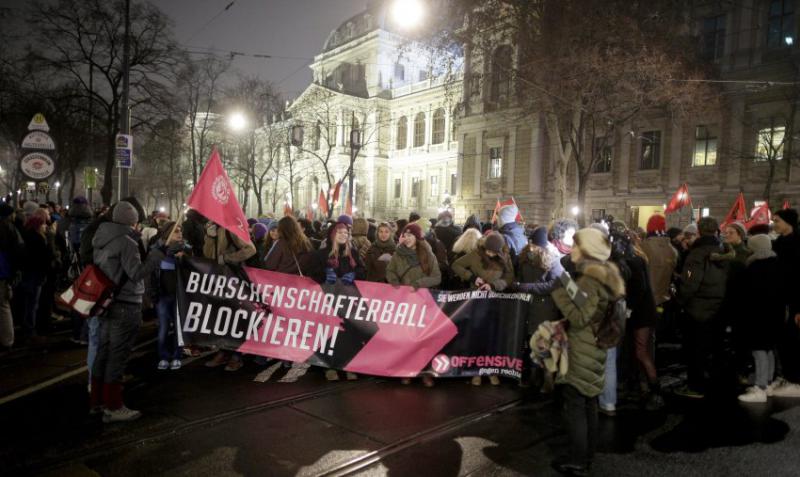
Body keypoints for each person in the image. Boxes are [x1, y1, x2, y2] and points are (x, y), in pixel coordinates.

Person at [550, 228, 625, 476]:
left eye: (575, 245)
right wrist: (565, 281)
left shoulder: (589, 279)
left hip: (582, 348)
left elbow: (580, 316)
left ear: (587, 249)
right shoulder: (602, 274)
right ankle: (586, 455)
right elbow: (588, 304)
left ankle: (578, 460)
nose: (571, 249)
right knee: (589, 402)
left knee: (576, 406)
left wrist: (559, 292)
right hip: (595, 346)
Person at [90, 201, 168, 423]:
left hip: (107, 302)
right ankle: (114, 406)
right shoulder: (127, 243)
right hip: (125, 304)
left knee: (103, 353)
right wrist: (156, 256)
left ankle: (97, 402)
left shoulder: (102, 238)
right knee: (118, 355)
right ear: (132, 221)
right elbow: (136, 273)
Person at [452, 232, 514, 386]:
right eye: (488, 250)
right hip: (478, 301)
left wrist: (494, 285)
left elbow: (509, 276)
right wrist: (472, 277)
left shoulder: (505, 257)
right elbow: (456, 265)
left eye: (493, 252)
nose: (489, 253)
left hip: (496, 301)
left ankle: (491, 370)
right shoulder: (475, 254)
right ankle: (476, 371)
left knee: (493, 337)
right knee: (477, 335)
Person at [675, 217, 728, 399]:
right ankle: (716, 384)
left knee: (696, 350)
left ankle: (695, 387)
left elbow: (690, 279)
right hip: (718, 306)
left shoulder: (696, 253)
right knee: (715, 348)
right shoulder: (723, 249)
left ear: (699, 230)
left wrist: (681, 299)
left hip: (698, 308)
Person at [386, 223, 441, 387]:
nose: (408, 238)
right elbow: (390, 271)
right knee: (407, 338)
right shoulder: (398, 254)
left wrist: (418, 283)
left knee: (424, 338)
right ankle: (406, 370)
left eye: (411, 235)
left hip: (424, 301)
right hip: (405, 302)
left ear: (417, 238)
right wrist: (396, 284)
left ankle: (426, 372)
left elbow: (437, 277)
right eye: (406, 235)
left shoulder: (428, 254)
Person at [311, 220, 365, 381]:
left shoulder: (352, 253)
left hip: (348, 300)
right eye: (340, 232)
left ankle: (348, 365)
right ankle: (329, 366)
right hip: (328, 301)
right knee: (329, 334)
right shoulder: (321, 254)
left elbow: (362, 270)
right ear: (333, 234)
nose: (344, 235)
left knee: (349, 334)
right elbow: (312, 274)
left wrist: (355, 275)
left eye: (346, 233)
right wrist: (324, 276)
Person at [203, 221, 257, 372]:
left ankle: (237, 356)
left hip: (233, 279)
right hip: (218, 279)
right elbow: (208, 255)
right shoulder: (211, 228)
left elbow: (250, 249)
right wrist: (209, 237)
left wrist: (227, 258)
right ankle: (224, 352)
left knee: (235, 317)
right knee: (221, 317)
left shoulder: (231, 228)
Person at [737, 234, 783, 402]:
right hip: (774, 315)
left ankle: (760, 387)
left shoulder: (753, 268)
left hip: (757, 316)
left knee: (759, 351)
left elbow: (746, 297)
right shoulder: (777, 265)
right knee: (769, 349)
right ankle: (768, 384)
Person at [770, 208, 800, 398]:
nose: (774, 224)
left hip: (794, 303)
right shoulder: (779, 242)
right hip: (780, 300)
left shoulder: (798, 243)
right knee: (783, 342)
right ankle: (787, 376)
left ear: (788, 222)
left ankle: (796, 382)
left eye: (777, 221)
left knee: (793, 342)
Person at [151, 221, 188, 371]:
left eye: (180, 231)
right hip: (162, 295)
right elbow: (151, 273)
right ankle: (164, 357)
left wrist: (183, 259)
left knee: (179, 328)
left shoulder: (186, 249)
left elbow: (192, 270)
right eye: (176, 231)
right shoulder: (156, 249)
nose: (180, 234)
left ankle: (177, 356)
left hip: (179, 295)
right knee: (163, 327)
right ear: (167, 234)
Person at [0, 203, 23, 349]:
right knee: (3, 306)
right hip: (3, 272)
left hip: (4, 271)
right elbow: (18, 251)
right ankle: (7, 340)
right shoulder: (10, 228)